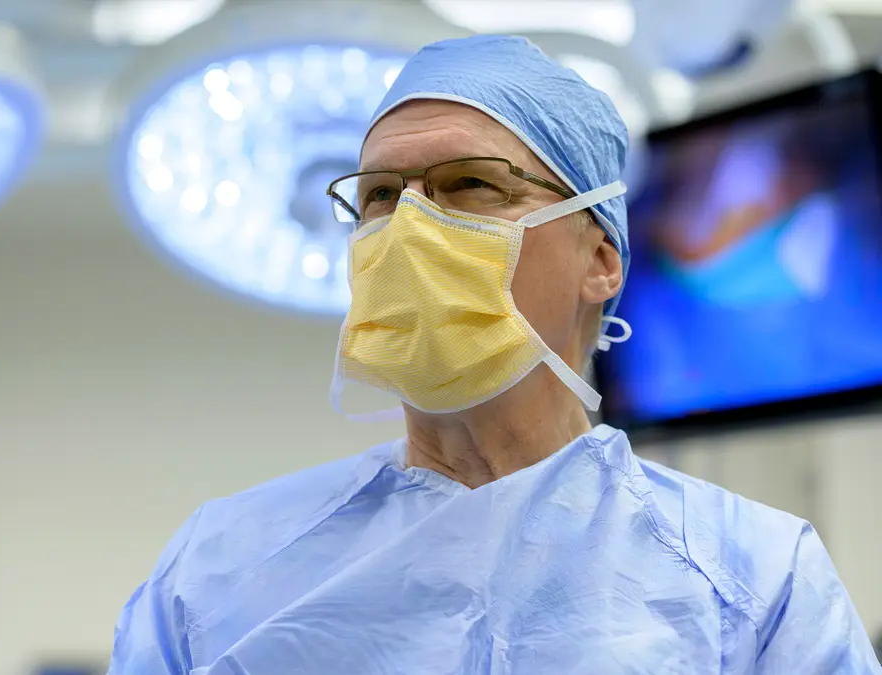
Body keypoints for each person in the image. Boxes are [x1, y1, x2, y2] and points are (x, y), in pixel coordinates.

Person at [108, 35, 882, 674]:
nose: (409, 227)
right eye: (379, 196)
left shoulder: (756, 582)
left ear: (601, 259)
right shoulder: (215, 573)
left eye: (471, 184)